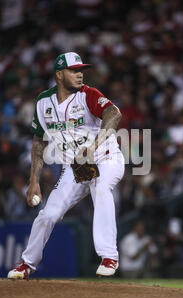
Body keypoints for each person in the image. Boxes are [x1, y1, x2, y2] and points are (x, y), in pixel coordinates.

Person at [7, 52, 125, 279]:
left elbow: (114, 113)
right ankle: (26, 264)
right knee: (48, 214)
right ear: (59, 75)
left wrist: (95, 145)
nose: (80, 74)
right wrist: (34, 182)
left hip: (106, 156)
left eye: (81, 70)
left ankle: (109, 256)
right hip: (78, 166)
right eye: (74, 70)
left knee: (101, 188)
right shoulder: (43, 102)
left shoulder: (87, 95)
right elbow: (39, 142)